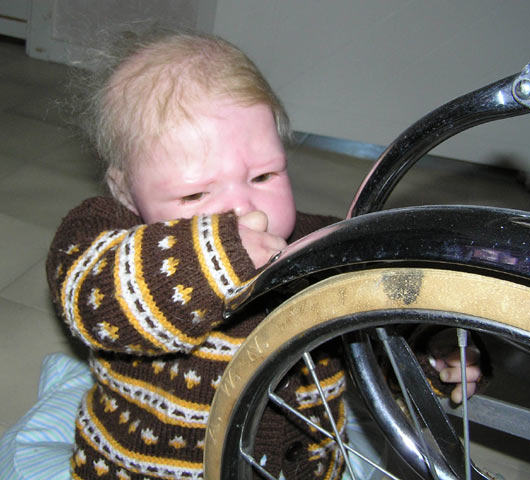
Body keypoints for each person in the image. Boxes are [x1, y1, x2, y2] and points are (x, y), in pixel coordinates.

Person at [0, 27, 481, 480]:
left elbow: (372, 332)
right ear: (125, 191)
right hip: (145, 466)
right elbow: (93, 300)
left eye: (263, 176)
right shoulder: (103, 233)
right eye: (194, 195)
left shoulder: (320, 245)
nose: (244, 208)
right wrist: (212, 255)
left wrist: (430, 354)